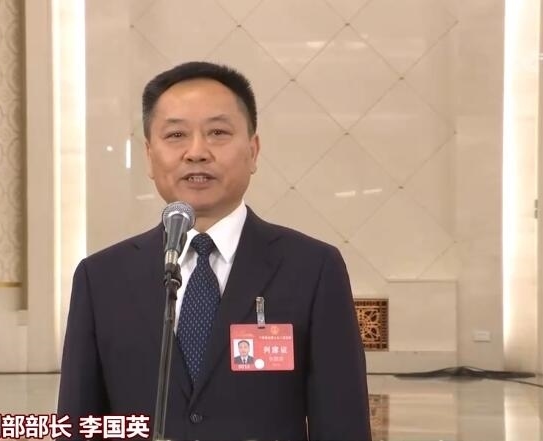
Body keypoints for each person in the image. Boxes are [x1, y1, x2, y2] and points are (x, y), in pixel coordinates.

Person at [57, 61, 371, 440]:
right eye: (176, 135)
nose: (197, 152)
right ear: (149, 155)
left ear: (253, 150)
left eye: (218, 132)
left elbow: (342, 422)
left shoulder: (313, 269)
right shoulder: (101, 278)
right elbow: (77, 424)